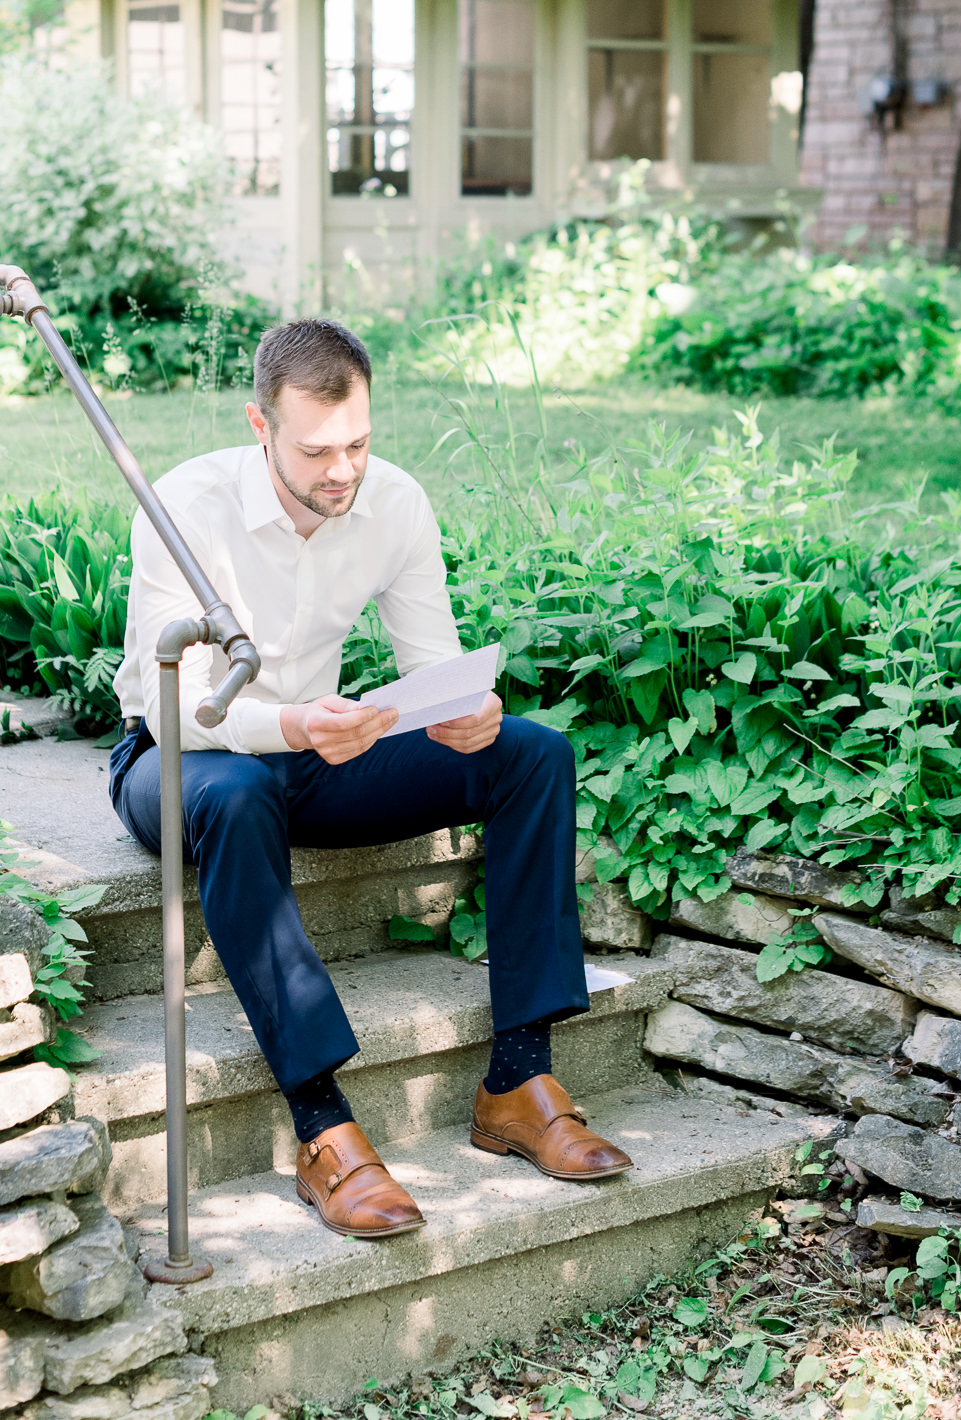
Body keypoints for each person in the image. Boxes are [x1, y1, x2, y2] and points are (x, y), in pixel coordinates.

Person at [109, 318, 631, 1241]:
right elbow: (176, 708)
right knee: (238, 793)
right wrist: (293, 722)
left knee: (531, 752)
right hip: (183, 761)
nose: (342, 470)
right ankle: (323, 1127)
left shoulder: (393, 501)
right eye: (315, 450)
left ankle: (518, 1079)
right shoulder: (186, 504)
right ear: (260, 424)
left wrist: (467, 711)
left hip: (320, 751)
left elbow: (433, 663)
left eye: (358, 442)